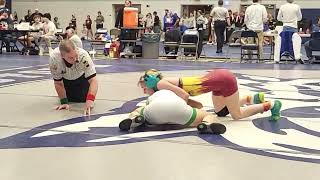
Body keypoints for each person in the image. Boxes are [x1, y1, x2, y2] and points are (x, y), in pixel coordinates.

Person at [137, 69, 282, 121]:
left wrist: (185, 108)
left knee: (237, 115)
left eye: (144, 88)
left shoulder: (161, 84)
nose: (145, 92)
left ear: (150, 83)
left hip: (224, 80)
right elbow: (190, 99)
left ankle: (270, 105)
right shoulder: (162, 85)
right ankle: (250, 98)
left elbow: (184, 96)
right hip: (217, 80)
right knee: (221, 112)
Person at [119, 90, 226, 134]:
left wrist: (140, 113)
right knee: (207, 114)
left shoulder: (153, 97)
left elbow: (147, 106)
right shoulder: (176, 96)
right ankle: (206, 124)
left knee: (138, 111)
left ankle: (134, 119)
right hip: (180, 112)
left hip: (155, 111)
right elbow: (199, 105)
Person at [49, 40, 98, 116]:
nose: (75, 59)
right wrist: (64, 102)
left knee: (82, 100)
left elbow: (93, 80)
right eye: (71, 58)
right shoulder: (54, 59)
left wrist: (90, 100)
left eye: (76, 55)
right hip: (66, 79)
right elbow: (58, 82)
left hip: (81, 77)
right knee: (69, 101)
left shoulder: (83, 56)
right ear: (62, 56)